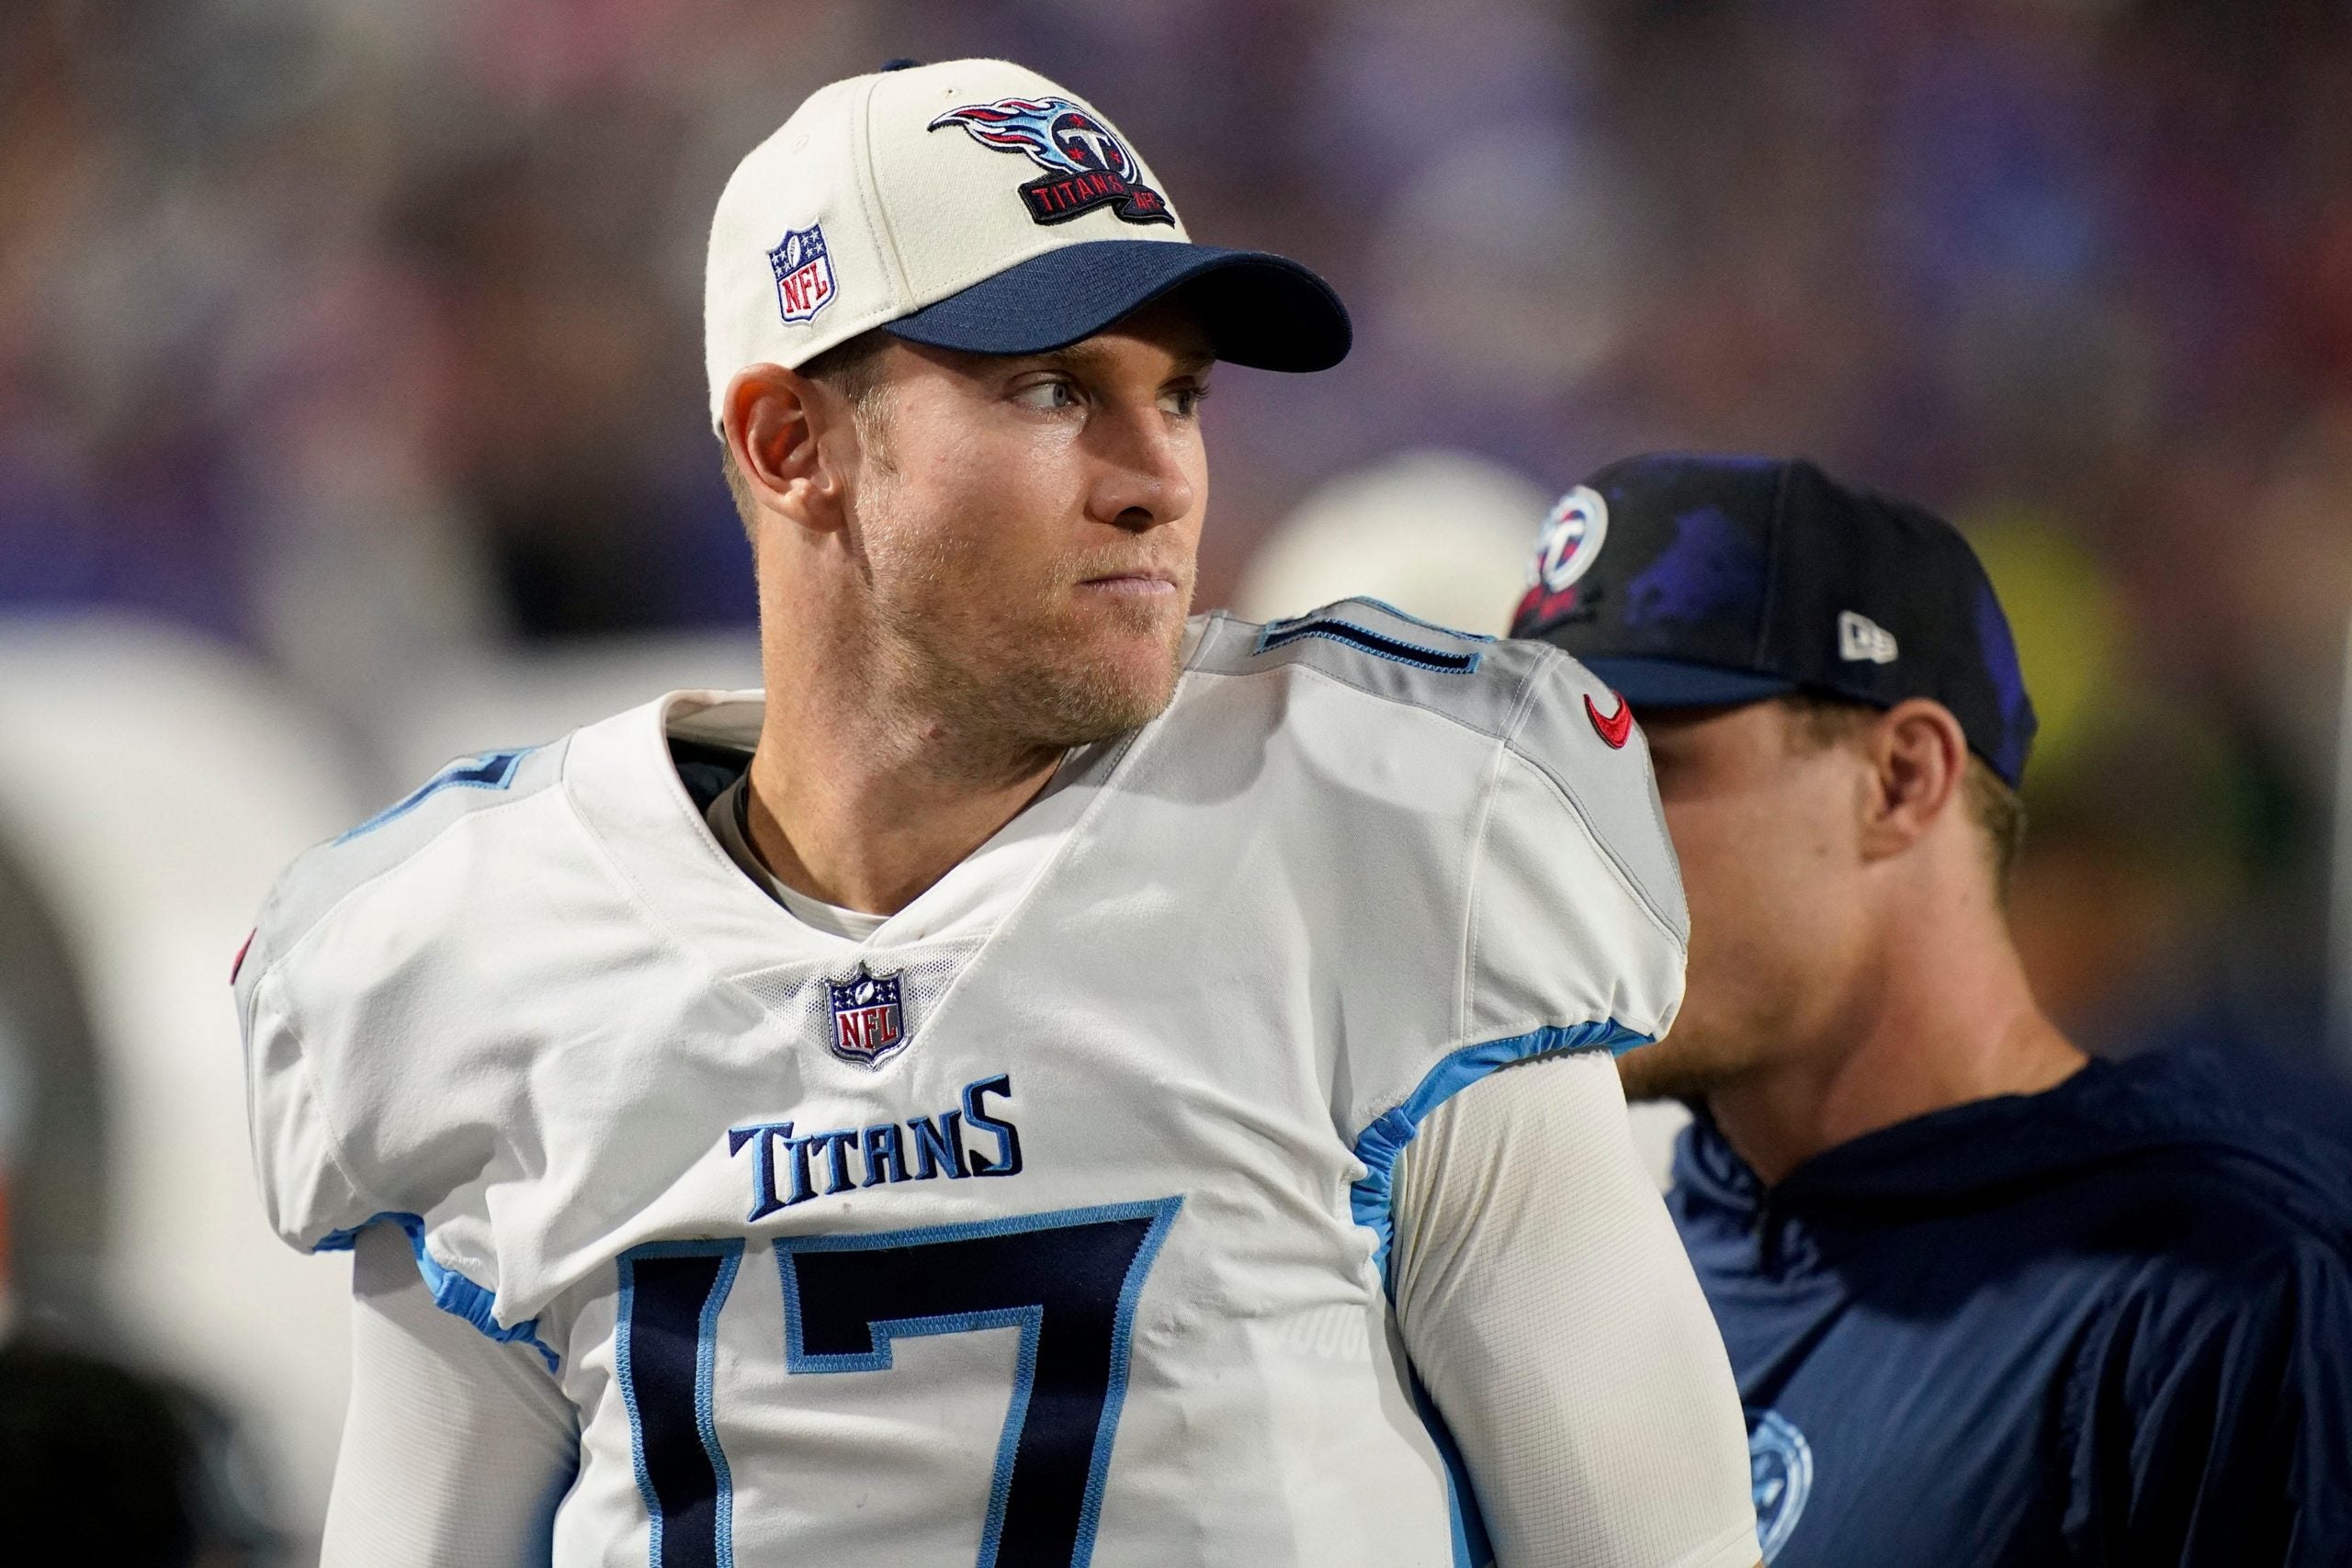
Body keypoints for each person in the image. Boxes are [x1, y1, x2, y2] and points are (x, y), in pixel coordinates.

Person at [236, 60, 1759, 1567]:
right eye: (1052, 388)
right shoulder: (487, 956)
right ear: (792, 445)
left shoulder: (1384, 842)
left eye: (1179, 392)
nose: (1160, 474)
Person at [1511, 452, 2352, 1566]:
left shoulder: (2224, 1302)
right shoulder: (1587, 1280)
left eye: (1651, 769)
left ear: (1902, 779)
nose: (1560, 848)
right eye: (1539, 776)